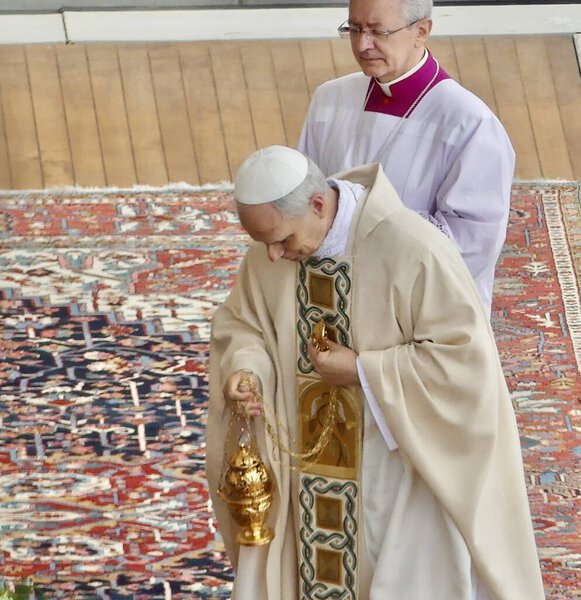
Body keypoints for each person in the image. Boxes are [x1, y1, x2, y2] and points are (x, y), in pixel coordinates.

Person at [206, 146, 544, 600]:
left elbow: (465, 364)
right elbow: (243, 324)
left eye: (281, 239)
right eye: (261, 241)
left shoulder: (412, 248)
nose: (272, 255)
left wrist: (364, 370)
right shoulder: (274, 256)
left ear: (319, 205)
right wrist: (244, 370)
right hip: (303, 471)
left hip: (394, 469)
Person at [298, 0, 515, 314]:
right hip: (334, 294)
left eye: (378, 31)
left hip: (416, 309)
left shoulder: (469, 124)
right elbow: (305, 197)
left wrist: (358, 234)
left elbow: (469, 245)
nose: (363, 44)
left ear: (422, 31)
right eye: (354, 29)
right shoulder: (329, 99)